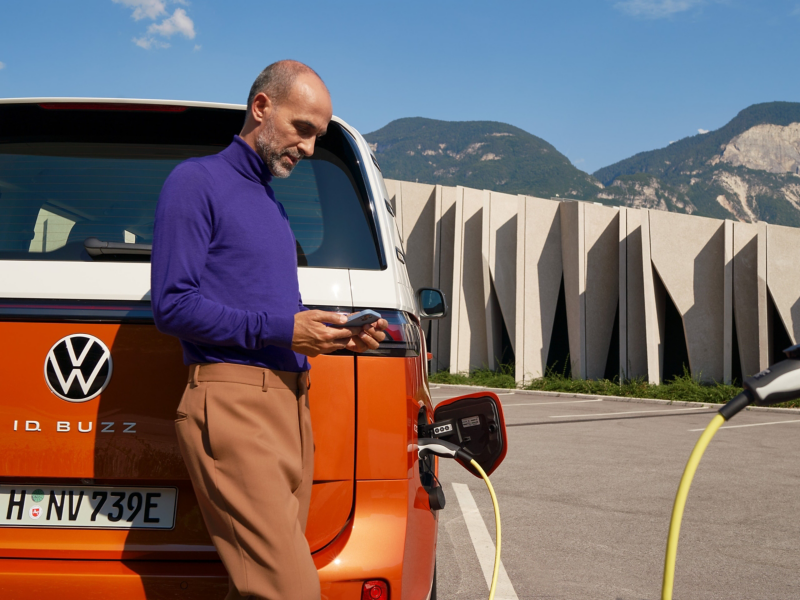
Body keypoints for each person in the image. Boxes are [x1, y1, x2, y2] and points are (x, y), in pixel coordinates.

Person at [151, 60, 387, 600]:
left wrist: (336, 334)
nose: (307, 148)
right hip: (233, 405)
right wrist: (284, 328)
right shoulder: (196, 181)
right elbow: (172, 306)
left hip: (290, 408)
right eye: (301, 129)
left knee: (256, 588)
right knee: (290, 591)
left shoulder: (270, 203)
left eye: (317, 136)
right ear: (262, 107)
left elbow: (270, 313)